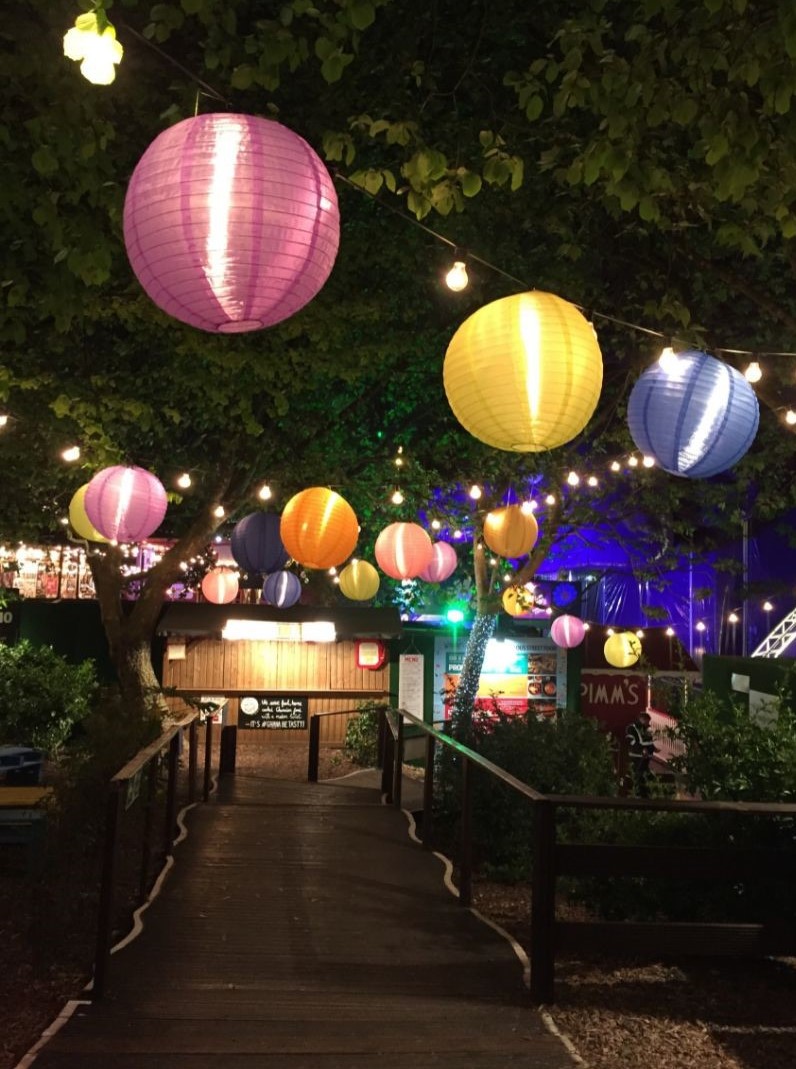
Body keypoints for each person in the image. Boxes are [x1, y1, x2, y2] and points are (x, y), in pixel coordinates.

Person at [625, 711, 658, 796]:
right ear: (641, 719)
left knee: (645, 775)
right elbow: (631, 742)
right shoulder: (631, 728)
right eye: (646, 721)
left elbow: (649, 741)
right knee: (638, 775)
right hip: (636, 756)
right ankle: (639, 794)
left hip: (646, 757)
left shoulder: (647, 729)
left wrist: (653, 748)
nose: (648, 723)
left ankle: (645, 793)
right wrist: (641, 750)